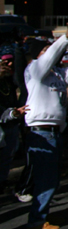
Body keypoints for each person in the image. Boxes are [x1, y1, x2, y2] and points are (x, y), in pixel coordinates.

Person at [24, 17, 68, 229]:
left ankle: (42, 216)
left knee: (51, 178)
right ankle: (37, 222)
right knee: (45, 178)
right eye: (46, 49)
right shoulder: (35, 70)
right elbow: (47, 59)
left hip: (54, 131)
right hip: (41, 132)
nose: (51, 53)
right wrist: (65, 39)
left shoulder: (56, 74)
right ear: (38, 54)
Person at [1, 43, 27, 189]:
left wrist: (18, 51)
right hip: (2, 123)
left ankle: (2, 181)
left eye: (11, 61)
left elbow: (20, 80)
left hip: (11, 122)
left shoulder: (9, 80)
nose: (9, 64)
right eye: (5, 61)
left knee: (8, 156)